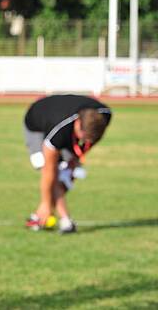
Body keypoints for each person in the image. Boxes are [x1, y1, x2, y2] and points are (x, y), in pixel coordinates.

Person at [22, 94, 112, 234]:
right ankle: (64, 220)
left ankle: (39, 217)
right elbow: (49, 170)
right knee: (49, 168)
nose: (86, 141)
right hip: (36, 124)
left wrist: (76, 158)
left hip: (65, 122)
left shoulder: (105, 115)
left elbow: (91, 139)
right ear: (78, 124)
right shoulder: (59, 131)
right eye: (84, 138)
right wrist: (45, 203)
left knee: (68, 174)